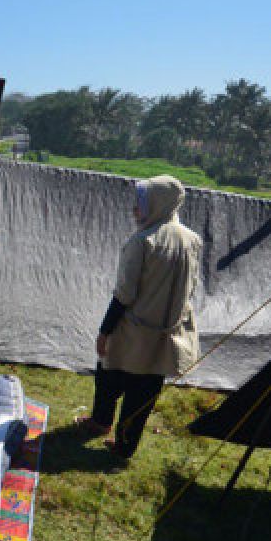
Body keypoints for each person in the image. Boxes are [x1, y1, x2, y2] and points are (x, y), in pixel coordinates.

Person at [74, 175, 202, 461]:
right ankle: (124, 446)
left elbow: (125, 293)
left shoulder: (143, 241)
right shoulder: (193, 240)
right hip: (169, 331)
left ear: (158, 204)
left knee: (109, 374)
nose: (135, 210)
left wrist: (105, 331)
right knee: (143, 393)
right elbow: (191, 288)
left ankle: (102, 422)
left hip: (133, 330)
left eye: (141, 203)